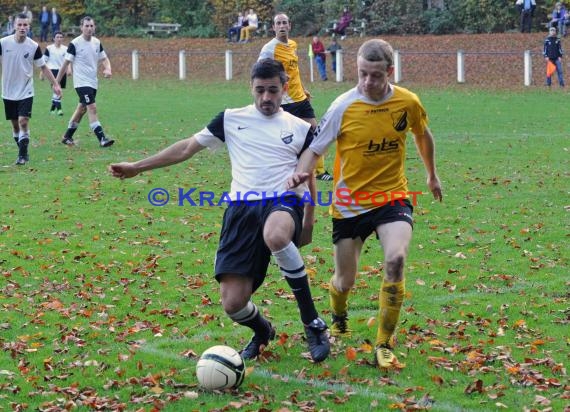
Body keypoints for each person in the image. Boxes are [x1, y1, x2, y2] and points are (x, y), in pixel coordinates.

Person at [109, 58, 330, 363]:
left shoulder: (301, 127)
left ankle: (312, 322)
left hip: (282, 201)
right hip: (241, 209)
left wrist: (309, 219)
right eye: (260, 90)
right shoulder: (230, 119)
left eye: (273, 91)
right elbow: (187, 147)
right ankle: (262, 331)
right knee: (233, 304)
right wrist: (137, 167)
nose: (266, 97)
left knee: (276, 235)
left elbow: (308, 174)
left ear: (285, 89)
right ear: (251, 88)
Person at [287, 39, 443, 369]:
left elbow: (422, 134)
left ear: (390, 72)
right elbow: (315, 150)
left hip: (391, 197)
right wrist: (301, 174)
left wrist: (431, 174)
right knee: (345, 280)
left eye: (375, 75)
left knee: (396, 259)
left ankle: (384, 344)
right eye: (362, 74)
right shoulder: (343, 106)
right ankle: (339, 314)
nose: (367, 82)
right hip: (349, 205)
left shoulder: (407, 102)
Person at [259, 13, 333, 181]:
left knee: (316, 131)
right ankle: (279, 170)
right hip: (285, 100)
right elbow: (260, 71)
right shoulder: (269, 49)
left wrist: (303, 88)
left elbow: (294, 71)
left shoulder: (292, 45)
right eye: (278, 23)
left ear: (289, 26)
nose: (282, 26)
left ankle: (320, 171)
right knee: (286, 137)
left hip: (300, 98)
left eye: (284, 22)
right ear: (274, 27)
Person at [0, 13, 62, 165]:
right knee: (15, 125)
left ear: (29, 27)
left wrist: (55, 84)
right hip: (8, 90)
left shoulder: (33, 46)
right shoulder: (3, 43)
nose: (22, 27)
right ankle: (24, 151)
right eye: (19, 25)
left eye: (25, 25)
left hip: (26, 89)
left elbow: (43, 67)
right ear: (14, 26)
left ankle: (22, 156)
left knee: (23, 121)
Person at [56, 16, 114, 147]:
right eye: (86, 26)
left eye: (91, 26)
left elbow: (104, 58)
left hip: (93, 82)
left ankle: (67, 136)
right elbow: (65, 64)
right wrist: (56, 82)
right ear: (81, 27)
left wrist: (108, 69)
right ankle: (102, 139)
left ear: (94, 27)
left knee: (81, 109)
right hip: (81, 83)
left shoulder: (96, 42)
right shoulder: (75, 44)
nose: (89, 28)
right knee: (92, 108)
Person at [42, 31, 70, 115]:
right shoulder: (49, 48)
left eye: (61, 37)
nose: (59, 39)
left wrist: (69, 69)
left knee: (56, 91)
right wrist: (42, 73)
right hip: (52, 71)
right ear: (54, 38)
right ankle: (60, 110)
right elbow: (44, 61)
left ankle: (52, 110)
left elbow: (68, 61)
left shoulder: (65, 49)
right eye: (57, 37)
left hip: (62, 71)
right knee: (57, 90)